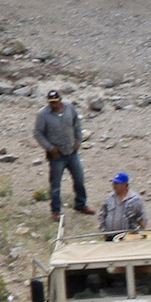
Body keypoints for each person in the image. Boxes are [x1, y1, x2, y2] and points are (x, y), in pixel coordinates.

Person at [33, 89, 92, 219]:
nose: (54, 105)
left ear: (60, 100)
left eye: (56, 102)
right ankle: (55, 211)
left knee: (79, 179)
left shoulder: (69, 107)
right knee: (55, 185)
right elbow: (38, 133)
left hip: (72, 152)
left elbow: (76, 124)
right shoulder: (43, 114)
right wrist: (50, 148)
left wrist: (78, 141)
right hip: (56, 156)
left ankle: (80, 204)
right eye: (51, 102)